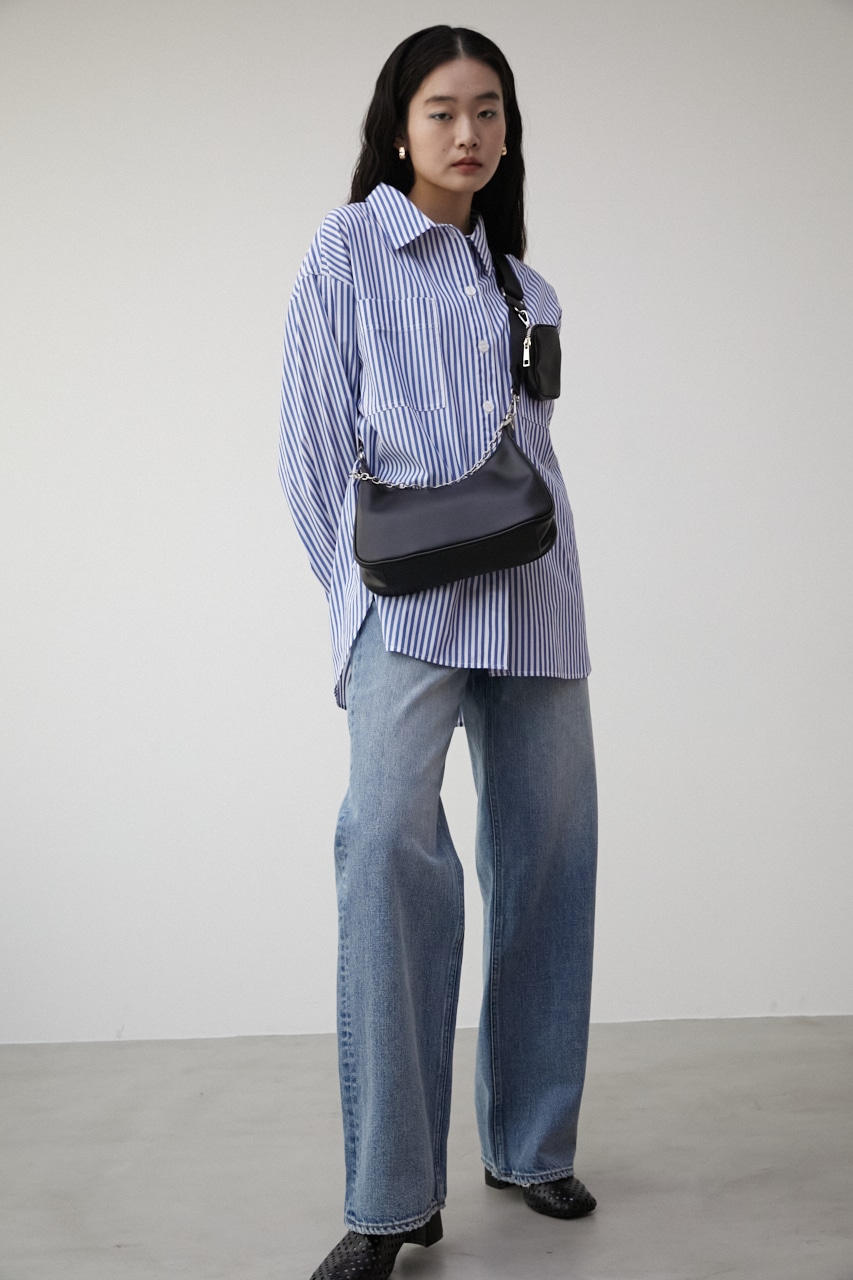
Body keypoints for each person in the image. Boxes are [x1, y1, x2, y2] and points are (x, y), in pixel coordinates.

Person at [279, 25, 598, 1280]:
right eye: (442, 109)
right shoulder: (348, 249)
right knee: (383, 852)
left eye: (489, 111)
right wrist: (354, 606)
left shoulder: (528, 286)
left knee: (547, 864)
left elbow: (534, 458)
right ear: (398, 124)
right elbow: (312, 448)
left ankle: (530, 1141)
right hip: (405, 609)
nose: (468, 132)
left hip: (535, 605)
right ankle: (389, 1195)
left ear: (508, 132)